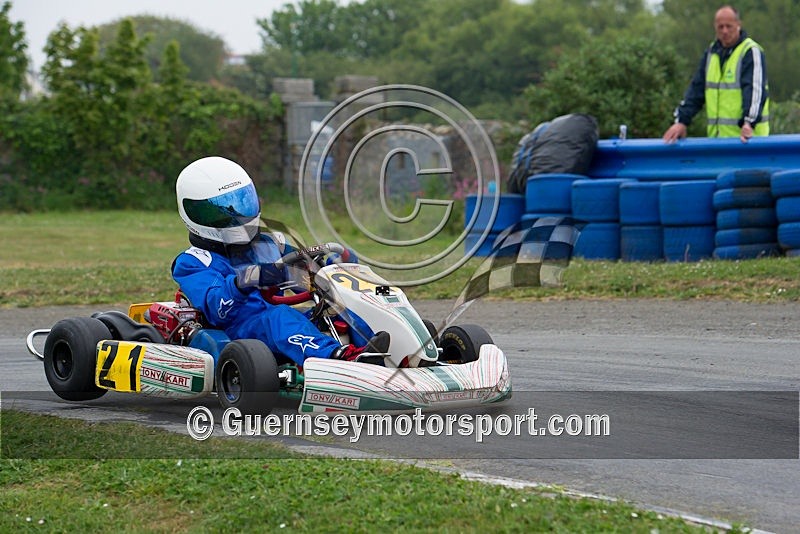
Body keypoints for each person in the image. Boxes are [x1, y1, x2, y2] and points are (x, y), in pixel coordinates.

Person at [171, 156, 389, 365]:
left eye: (240, 204)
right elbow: (217, 308)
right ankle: (340, 358)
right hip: (239, 333)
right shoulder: (191, 263)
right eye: (221, 211)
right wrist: (248, 279)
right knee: (280, 317)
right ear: (194, 214)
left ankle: (383, 350)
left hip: (278, 325)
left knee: (338, 304)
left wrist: (330, 270)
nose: (235, 215)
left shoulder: (268, 245)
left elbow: (305, 278)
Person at [663, 5, 769, 144]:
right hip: (718, 143)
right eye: (720, 27)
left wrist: (749, 122)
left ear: (738, 25)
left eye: (729, 26)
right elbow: (696, 90)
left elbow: (755, 91)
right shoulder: (711, 53)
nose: (724, 31)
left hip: (747, 142)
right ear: (715, 27)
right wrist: (682, 121)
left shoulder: (750, 51)